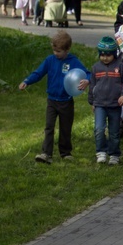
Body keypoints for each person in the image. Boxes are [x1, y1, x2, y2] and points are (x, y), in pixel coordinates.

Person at [18, 31, 90, 164]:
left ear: (67, 49)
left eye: (59, 51)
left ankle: (65, 153)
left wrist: (87, 81)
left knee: (65, 127)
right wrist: (27, 81)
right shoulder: (49, 60)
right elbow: (38, 73)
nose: (56, 53)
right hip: (52, 100)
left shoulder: (73, 61)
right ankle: (46, 154)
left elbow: (88, 73)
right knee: (49, 127)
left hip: (66, 101)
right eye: (54, 50)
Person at [88, 37, 123, 165]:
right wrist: (92, 101)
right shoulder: (96, 68)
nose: (105, 58)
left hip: (115, 105)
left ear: (114, 54)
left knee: (114, 131)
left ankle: (114, 154)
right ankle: (101, 151)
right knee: (99, 129)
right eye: (102, 55)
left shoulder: (120, 67)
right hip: (100, 104)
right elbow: (92, 85)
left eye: (108, 55)